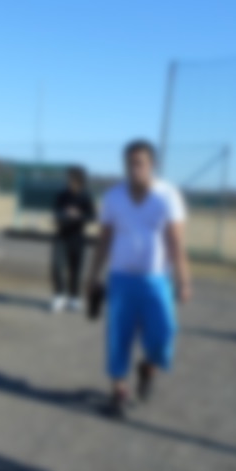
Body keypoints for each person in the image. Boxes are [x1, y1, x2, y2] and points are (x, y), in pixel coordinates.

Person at [86, 140, 191, 417]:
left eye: (140, 163)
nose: (134, 169)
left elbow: (176, 243)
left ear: (152, 164)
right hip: (121, 279)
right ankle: (119, 390)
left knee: (164, 334)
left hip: (156, 281)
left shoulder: (168, 196)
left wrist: (184, 280)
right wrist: (93, 276)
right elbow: (104, 239)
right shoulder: (113, 197)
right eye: (129, 163)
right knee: (118, 337)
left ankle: (148, 368)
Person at [50, 166, 96, 313]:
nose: (69, 182)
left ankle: (74, 297)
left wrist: (79, 215)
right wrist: (63, 214)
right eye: (68, 179)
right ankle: (59, 295)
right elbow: (55, 212)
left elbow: (92, 216)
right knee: (56, 266)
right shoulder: (61, 195)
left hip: (78, 236)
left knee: (76, 269)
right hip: (61, 235)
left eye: (72, 179)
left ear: (80, 181)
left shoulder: (85, 196)